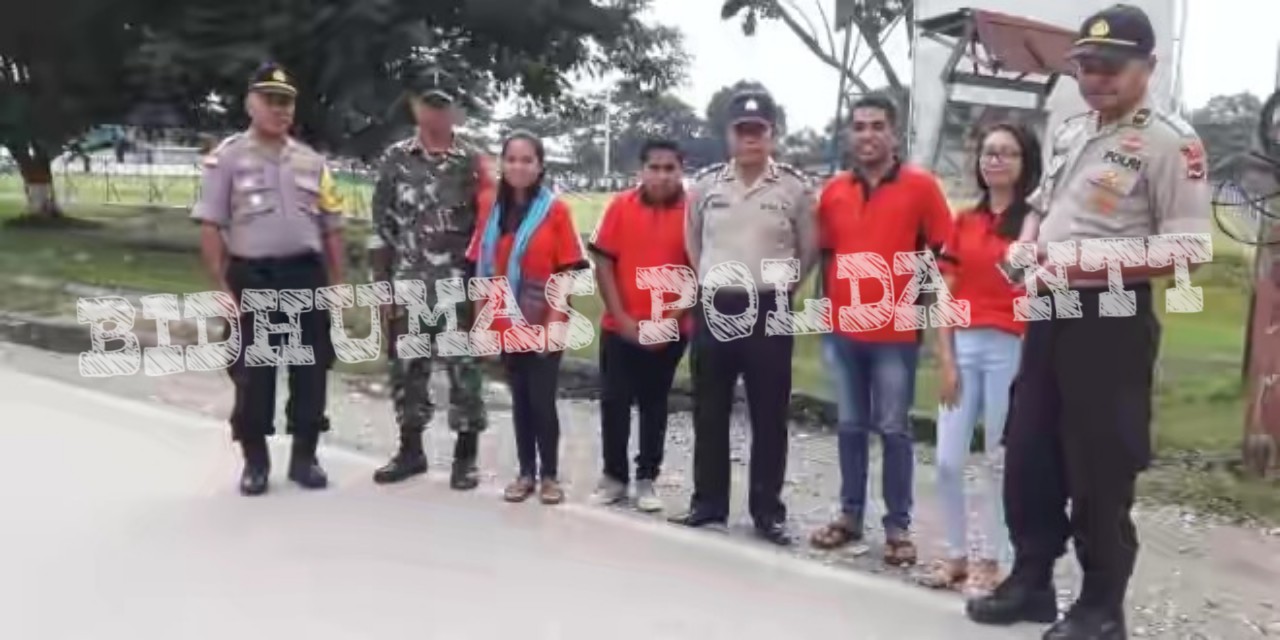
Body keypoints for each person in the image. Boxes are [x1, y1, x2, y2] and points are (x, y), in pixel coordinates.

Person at [965, 6, 1212, 639]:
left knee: (1099, 463)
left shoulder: (1170, 143)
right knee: (1030, 449)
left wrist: (1082, 260)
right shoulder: (1073, 130)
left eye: (1111, 66)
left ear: (1147, 68)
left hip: (1112, 315)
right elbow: (1041, 208)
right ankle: (1032, 580)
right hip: (1052, 308)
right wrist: (1026, 245)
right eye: (1085, 66)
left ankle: (1102, 607)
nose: (1095, 77)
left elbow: (1187, 249)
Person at [808, 94, 953, 567]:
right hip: (844, 332)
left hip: (895, 333)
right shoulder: (833, 191)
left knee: (893, 429)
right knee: (850, 426)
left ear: (894, 134)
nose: (867, 134)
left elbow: (942, 257)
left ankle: (898, 527)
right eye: (859, 126)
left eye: (876, 126)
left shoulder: (921, 188)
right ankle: (849, 516)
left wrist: (934, 323)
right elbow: (824, 256)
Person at [670, 90, 818, 546]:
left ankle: (767, 511)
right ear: (729, 135)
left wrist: (783, 285)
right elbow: (694, 242)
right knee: (709, 408)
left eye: (759, 130)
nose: (751, 138)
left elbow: (809, 247)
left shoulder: (794, 188)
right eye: (742, 130)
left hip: (768, 306)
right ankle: (708, 502)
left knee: (769, 412)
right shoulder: (707, 186)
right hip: (716, 303)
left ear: (772, 134)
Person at [193, 62, 345, 496]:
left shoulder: (312, 161)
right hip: (253, 278)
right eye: (270, 100)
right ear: (250, 103)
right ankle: (255, 461)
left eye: (286, 102)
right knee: (254, 374)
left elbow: (332, 226)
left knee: (311, 370)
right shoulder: (227, 159)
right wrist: (223, 287)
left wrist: (336, 284)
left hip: (305, 276)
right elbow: (210, 225)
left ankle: (304, 457)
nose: (280, 109)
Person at [916, 123, 1042, 595]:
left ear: (1025, 163)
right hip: (964, 345)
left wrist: (1032, 221)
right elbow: (943, 294)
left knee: (997, 459)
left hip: (1011, 346)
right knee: (948, 460)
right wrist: (945, 359)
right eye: (989, 152)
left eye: (1008, 153)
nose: (996, 161)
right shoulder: (964, 221)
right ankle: (956, 553)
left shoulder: (1035, 223)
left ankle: (993, 558)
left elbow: (1025, 280)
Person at [369, 67, 493, 491]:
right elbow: (380, 227)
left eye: (443, 105)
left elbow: (486, 227)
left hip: (458, 286)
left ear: (454, 110)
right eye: (428, 104)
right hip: (408, 285)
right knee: (407, 370)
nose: (436, 114)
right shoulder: (395, 159)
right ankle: (410, 450)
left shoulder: (473, 162)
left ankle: (465, 456)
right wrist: (382, 286)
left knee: (464, 372)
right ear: (414, 107)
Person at [466, 131, 589, 505]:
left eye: (527, 160)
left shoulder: (556, 211)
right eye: (512, 159)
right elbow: (479, 269)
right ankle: (525, 473)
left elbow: (567, 272)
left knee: (541, 400)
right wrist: (480, 326)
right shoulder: (491, 208)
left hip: (543, 319)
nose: (519, 167)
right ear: (503, 164)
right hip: (504, 320)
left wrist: (553, 327)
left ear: (540, 166)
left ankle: (550, 475)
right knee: (519, 399)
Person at [588, 138, 692, 513]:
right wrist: (623, 318)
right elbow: (603, 263)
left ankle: (647, 476)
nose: (662, 176)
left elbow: (699, 272)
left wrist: (669, 322)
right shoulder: (620, 206)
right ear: (641, 170)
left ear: (682, 170)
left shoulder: (693, 211)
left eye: (670, 168)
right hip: (621, 326)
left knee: (654, 404)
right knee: (615, 400)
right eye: (655, 167)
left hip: (672, 328)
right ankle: (614, 476)